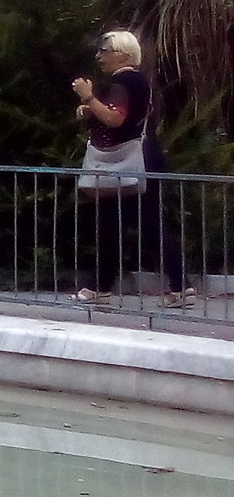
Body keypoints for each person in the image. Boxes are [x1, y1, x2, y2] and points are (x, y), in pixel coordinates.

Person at [74, 29, 193, 306]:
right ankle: (179, 286)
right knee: (140, 223)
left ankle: (100, 287)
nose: (98, 57)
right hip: (141, 159)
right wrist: (90, 110)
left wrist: (89, 98)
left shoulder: (125, 80)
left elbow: (116, 118)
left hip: (128, 162)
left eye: (104, 51)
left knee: (115, 223)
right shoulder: (135, 81)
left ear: (122, 53)